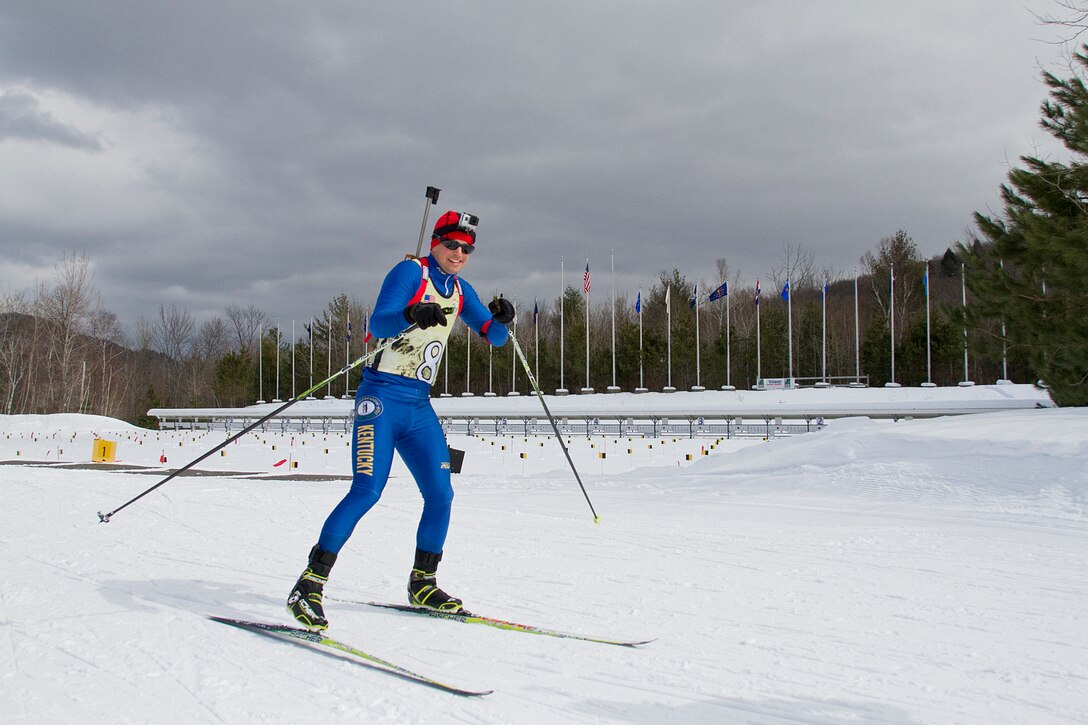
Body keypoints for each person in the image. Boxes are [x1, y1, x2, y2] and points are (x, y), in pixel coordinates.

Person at [287, 210, 516, 630]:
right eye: (452, 245)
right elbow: (379, 321)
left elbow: (495, 338)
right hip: (381, 399)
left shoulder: (461, 291)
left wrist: (501, 320)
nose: (459, 254)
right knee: (367, 490)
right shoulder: (410, 272)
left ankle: (422, 583)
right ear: (436, 243)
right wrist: (412, 314)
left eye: (467, 249)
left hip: (418, 405)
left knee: (441, 494)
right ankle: (309, 583)